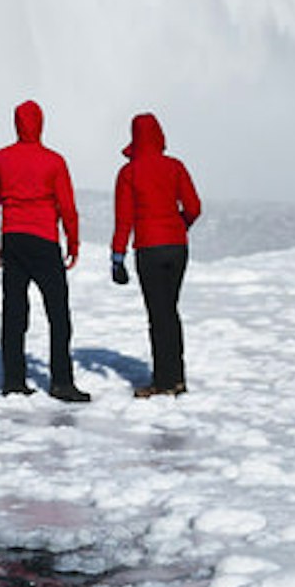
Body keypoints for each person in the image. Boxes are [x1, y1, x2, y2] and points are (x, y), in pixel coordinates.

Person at [0, 98, 88, 401]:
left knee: (14, 312)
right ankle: (62, 382)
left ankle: (14, 380)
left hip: (13, 239)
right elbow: (67, 207)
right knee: (58, 313)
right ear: (41, 123)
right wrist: (73, 242)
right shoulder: (54, 161)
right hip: (44, 241)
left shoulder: (1, 159)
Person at [108, 111, 201, 397]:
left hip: (148, 249)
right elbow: (194, 207)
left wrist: (117, 257)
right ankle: (177, 377)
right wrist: (178, 227)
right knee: (170, 312)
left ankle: (163, 382)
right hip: (177, 247)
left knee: (157, 315)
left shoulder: (128, 173)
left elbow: (124, 220)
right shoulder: (175, 167)